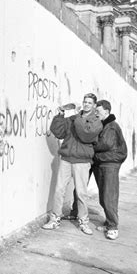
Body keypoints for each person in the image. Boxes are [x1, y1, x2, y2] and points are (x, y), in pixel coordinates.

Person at [42, 93, 103, 235]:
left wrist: (78, 117)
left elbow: (85, 134)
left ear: (94, 105)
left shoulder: (96, 121)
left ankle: (83, 221)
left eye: (89, 102)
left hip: (82, 161)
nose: (86, 104)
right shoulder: (73, 118)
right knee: (59, 190)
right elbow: (58, 132)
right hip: (66, 158)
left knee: (81, 193)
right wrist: (60, 114)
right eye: (85, 101)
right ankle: (55, 218)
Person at [92, 100, 128, 241]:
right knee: (103, 195)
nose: (96, 114)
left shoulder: (111, 126)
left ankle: (113, 227)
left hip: (110, 163)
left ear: (106, 112)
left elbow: (105, 143)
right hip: (103, 162)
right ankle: (108, 223)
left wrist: (91, 143)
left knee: (109, 196)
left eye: (98, 112)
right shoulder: (105, 124)